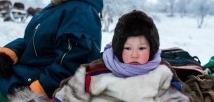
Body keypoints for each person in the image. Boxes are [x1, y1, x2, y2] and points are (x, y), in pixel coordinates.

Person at [0, 0, 103, 101]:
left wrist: (42, 87)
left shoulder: (79, 10)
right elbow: (33, 39)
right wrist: (10, 52)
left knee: (5, 76)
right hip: (38, 70)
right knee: (2, 71)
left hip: (53, 79)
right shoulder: (53, 9)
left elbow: (74, 57)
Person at [52, 10, 189, 102]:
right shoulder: (99, 70)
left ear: (152, 48)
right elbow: (70, 92)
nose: (134, 55)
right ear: (118, 48)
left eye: (141, 48)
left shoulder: (161, 72)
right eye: (127, 48)